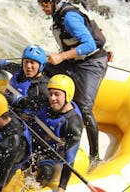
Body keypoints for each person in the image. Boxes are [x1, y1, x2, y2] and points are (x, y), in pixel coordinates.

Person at [38, 0, 108, 170]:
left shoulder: (69, 17)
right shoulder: (57, 15)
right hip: (74, 61)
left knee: (84, 109)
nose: (43, 7)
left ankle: (95, 157)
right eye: (41, 3)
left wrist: (61, 57)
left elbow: (90, 44)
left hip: (91, 63)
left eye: (45, 3)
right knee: (42, 71)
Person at [33, 74, 83, 192]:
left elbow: (69, 160)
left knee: (45, 174)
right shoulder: (44, 103)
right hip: (35, 146)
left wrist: (61, 189)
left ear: (68, 96)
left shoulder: (72, 124)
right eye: (50, 94)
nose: (52, 99)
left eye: (57, 94)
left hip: (53, 156)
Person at [0, 45, 50, 123]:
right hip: (4, 105)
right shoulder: (18, 70)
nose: (28, 66)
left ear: (41, 66)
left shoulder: (43, 87)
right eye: (26, 62)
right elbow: (0, 63)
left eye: (32, 63)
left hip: (15, 119)